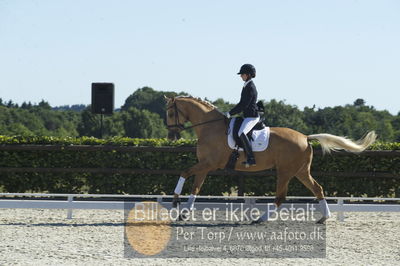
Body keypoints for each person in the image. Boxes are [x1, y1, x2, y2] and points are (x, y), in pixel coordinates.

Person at [224, 64, 259, 166]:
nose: (241, 76)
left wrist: (230, 113)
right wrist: (229, 112)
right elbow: (240, 103)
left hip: (252, 117)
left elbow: (244, 105)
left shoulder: (250, 87)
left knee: (241, 133)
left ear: (248, 75)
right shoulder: (246, 85)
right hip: (247, 116)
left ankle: (251, 158)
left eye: (242, 74)